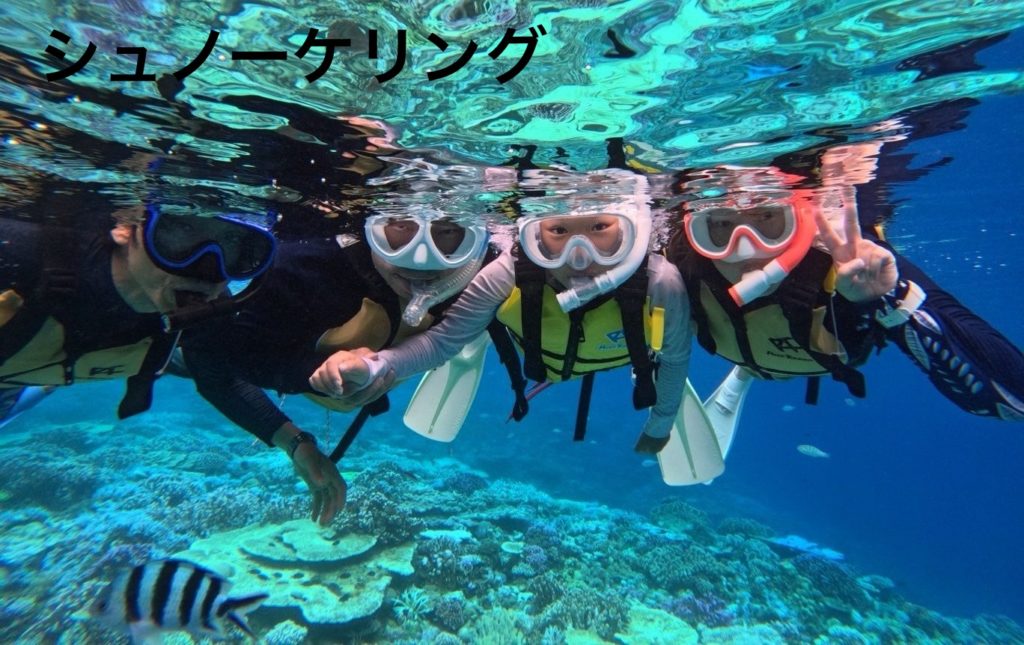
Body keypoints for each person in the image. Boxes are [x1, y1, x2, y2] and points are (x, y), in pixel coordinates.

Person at [309, 168, 693, 455]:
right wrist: (374, 366)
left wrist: (661, 424)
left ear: (630, 229)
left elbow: (675, 360)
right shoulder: (509, 272)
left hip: (616, 353)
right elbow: (442, 342)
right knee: (469, 328)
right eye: (559, 231)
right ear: (535, 232)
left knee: (659, 349)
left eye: (599, 227)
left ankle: (483, 328)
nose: (580, 256)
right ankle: (480, 334)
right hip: (537, 347)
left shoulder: (661, 283)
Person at [180, 209, 490, 525]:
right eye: (400, 227)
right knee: (181, 351)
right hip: (277, 351)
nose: (421, 259)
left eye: (447, 232)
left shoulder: (486, 274)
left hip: (424, 341)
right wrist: (296, 436)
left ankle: (475, 331)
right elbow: (210, 362)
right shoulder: (305, 269)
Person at [667, 161, 1024, 426]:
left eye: (769, 221)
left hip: (818, 356)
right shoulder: (683, 261)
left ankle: (748, 370)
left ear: (800, 219)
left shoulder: (851, 259)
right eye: (720, 227)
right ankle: (746, 370)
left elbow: (1011, 401)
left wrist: (891, 299)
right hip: (748, 351)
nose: (747, 250)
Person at [0, 205, 276, 421]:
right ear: (125, 226)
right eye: (181, 229)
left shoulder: (203, 314)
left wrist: (294, 445)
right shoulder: (17, 262)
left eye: (232, 240)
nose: (205, 268)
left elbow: (223, 381)